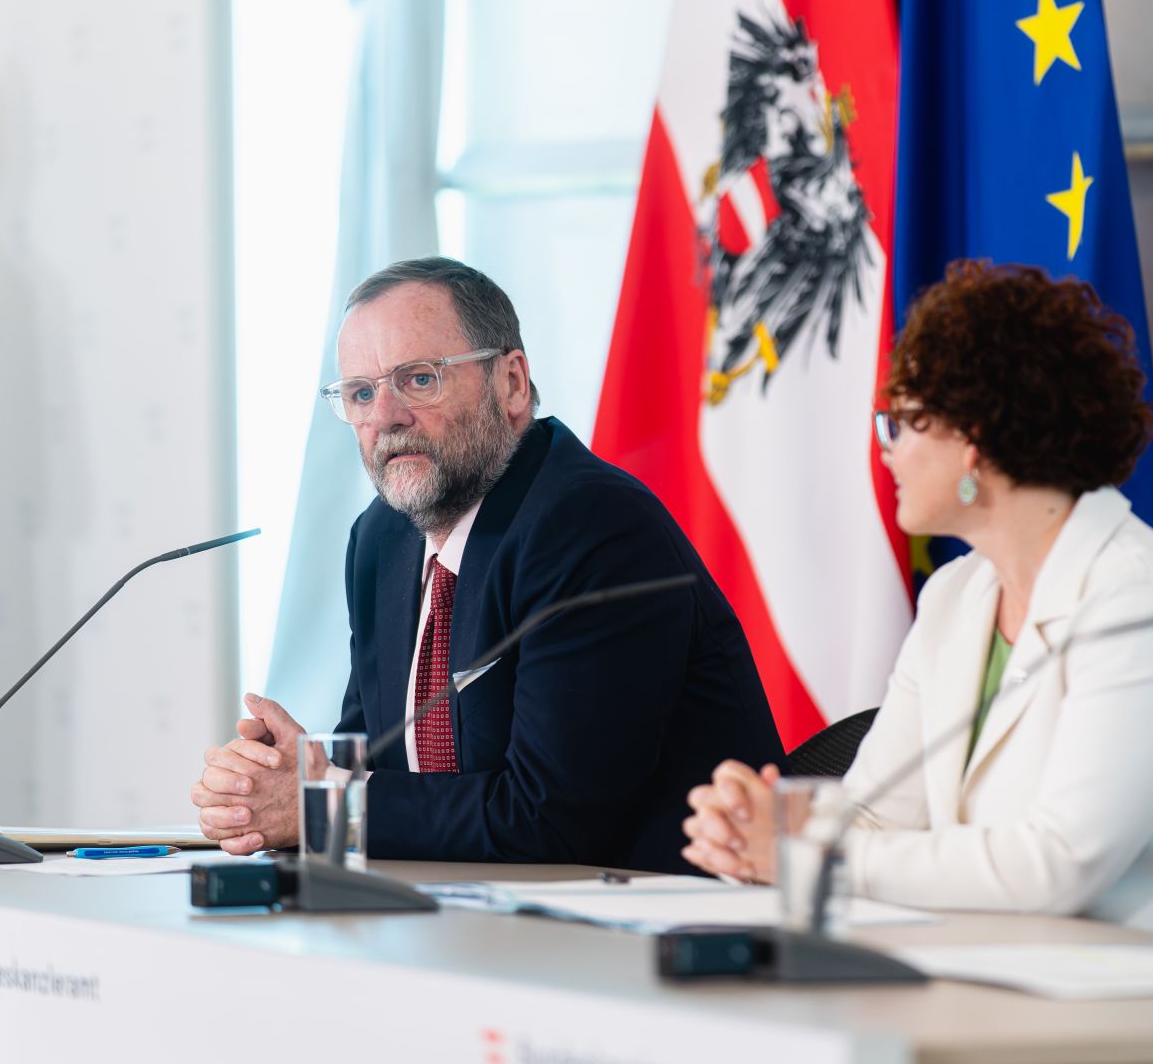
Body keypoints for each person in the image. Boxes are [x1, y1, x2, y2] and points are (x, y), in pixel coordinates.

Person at [681, 260, 1153, 935]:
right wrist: (769, 825)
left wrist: (808, 854)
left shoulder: (1143, 604)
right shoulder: (956, 595)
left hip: (1152, 1004)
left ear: (975, 442)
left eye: (906, 421)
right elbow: (873, 816)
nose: (887, 451)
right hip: (992, 975)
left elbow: (1057, 865)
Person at [191, 257, 784, 872]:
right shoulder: (381, 541)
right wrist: (279, 782)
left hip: (656, 929)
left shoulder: (592, 525)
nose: (386, 416)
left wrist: (319, 806)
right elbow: (378, 770)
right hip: (465, 921)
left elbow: (550, 820)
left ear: (512, 384)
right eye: (361, 393)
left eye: (419, 379)